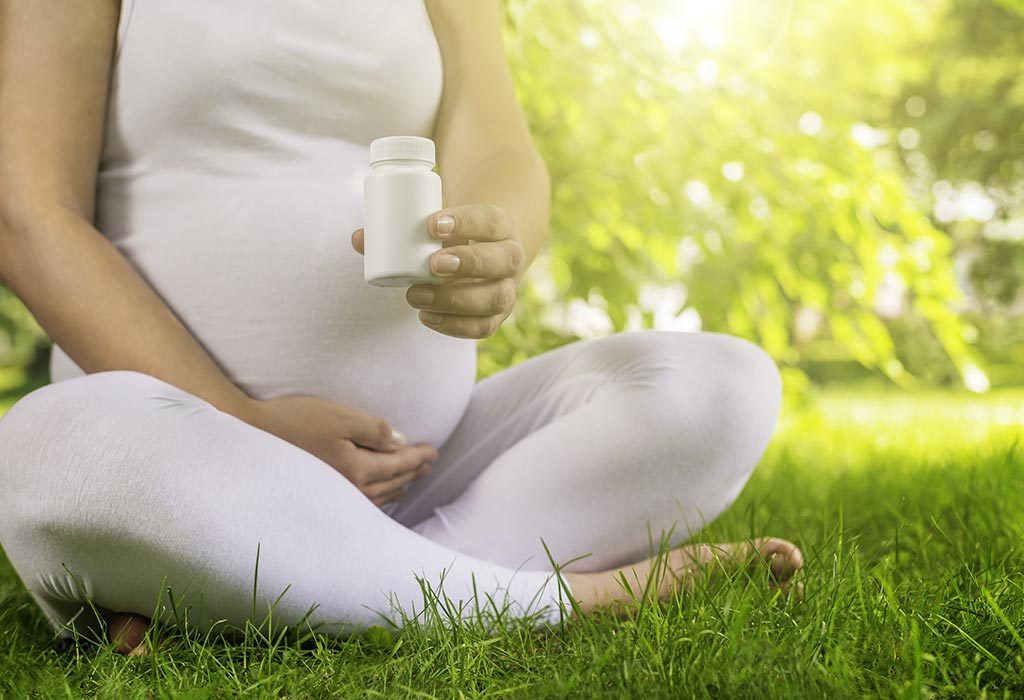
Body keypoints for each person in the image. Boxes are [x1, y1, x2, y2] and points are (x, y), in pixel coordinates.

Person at [0, 0, 802, 656]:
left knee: (721, 388)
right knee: (53, 445)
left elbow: (497, 148)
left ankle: (281, 593)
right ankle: (567, 600)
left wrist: (502, 242)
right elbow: (28, 213)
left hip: (418, 471)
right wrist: (239, 422)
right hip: (178, 453)